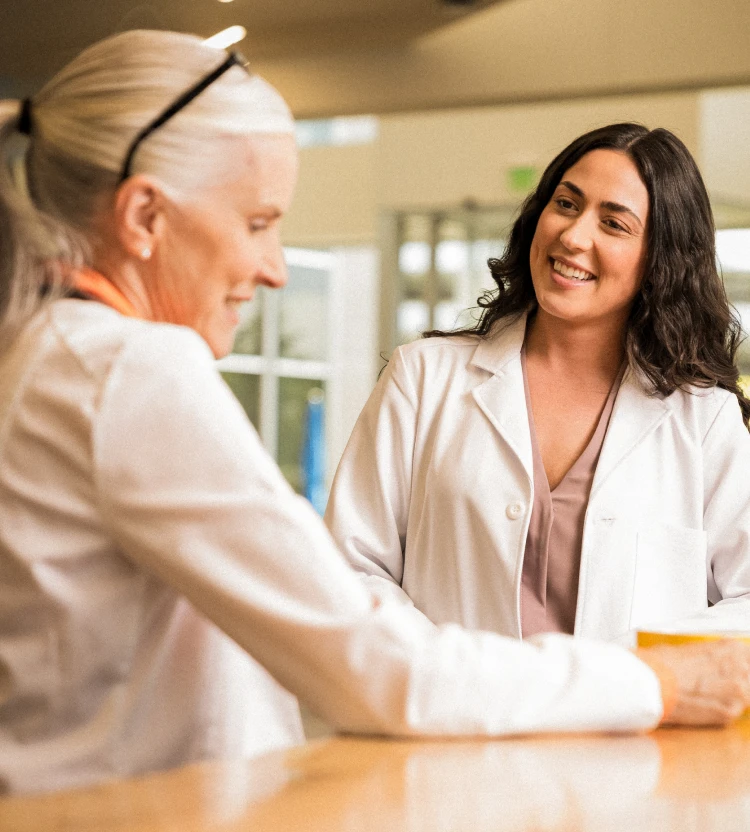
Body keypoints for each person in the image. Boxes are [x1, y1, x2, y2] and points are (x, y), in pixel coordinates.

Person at [0, 36, 747, 797]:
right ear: (144, 217)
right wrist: (652, 681)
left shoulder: (51, 351)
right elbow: (381, 661)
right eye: (259, 222)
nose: (276, 267)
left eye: (616, 223)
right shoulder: (131, 372)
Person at [326, 122, 750, 643]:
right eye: (566, 204)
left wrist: (641, 670)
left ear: (660, 261)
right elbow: (353, 567)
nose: (573, 236)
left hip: (627, 719)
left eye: (614, 224)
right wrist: (450, 672)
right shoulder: (422, 379)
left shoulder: (703, 419)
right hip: (455, 717)